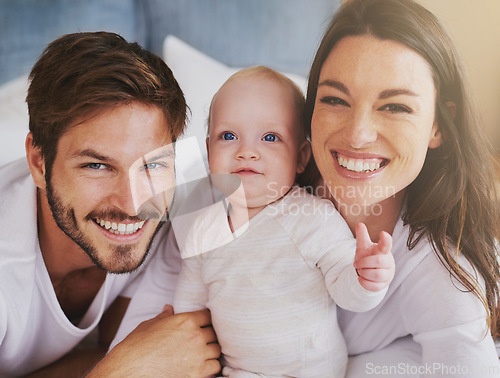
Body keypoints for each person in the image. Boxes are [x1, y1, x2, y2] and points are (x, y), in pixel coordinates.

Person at [296, 0, 500, 376]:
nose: (357, 134)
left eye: (395, 107)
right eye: (335, 99)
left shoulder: (442, 267)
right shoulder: (262, 174)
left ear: (438, 126)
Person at [0, 31, 220, 377]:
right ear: (39, 163)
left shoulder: (187, 187)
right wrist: (122, 369)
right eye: (97, 166)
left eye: (152, 165)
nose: (133, 203)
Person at [164, 65, 394, 377]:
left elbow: (346, 292)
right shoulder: (202, 228)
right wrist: (177, 339)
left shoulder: (312, 217)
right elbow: (190, 305)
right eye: (228, 136)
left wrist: (368, 278)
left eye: (270, 137)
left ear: (301, 157)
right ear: (208, 150)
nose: (247, 151)